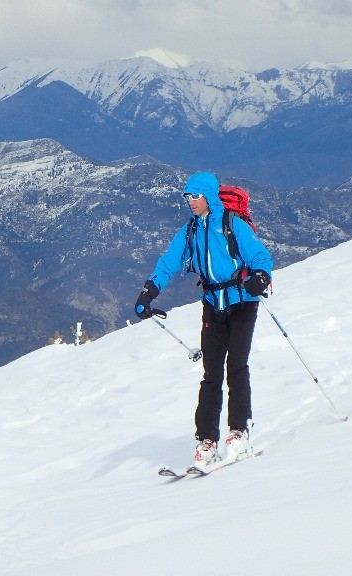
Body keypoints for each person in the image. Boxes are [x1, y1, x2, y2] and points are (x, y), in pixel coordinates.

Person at [134, 171, 273, 471]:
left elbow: (260, 256)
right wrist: (149, 291)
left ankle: (239, 432)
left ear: (209, 196)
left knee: (236, 366)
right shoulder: (190, 231)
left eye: (195, 196)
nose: (191, 202)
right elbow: (169, 262)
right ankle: (207, 440)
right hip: (212, 306)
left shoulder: (232, 225)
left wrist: (261, 277)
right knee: (211, 375)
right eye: (187, 197)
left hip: (242, 304)